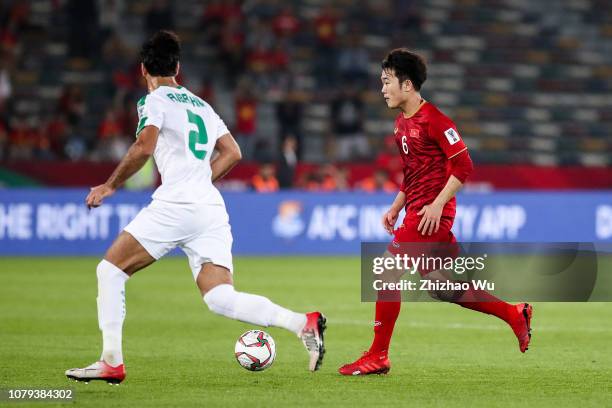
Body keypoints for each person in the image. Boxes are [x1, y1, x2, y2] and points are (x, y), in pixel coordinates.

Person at [65, 31, 326, 384]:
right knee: (220, 296)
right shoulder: (201, 105)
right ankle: (301, 322)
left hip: (176, 202)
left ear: (144, 69)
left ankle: (111, 361)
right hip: (209, 207)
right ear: (178, 67)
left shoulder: (153, 100)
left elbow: (144, 146)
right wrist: (202, 178)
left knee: (110, 271)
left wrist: (110, 184)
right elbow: (233, 151)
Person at [338, 48, 532, 376]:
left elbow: (464, 164)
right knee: (440, 287)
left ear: (408, 85)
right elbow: (412, 172)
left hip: (431, 217)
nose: (382, 89)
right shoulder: (402, 124)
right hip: (416, 211)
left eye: (387, 82)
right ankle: (514, 313)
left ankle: (378, 355)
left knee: (386, 272)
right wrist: (397, 206)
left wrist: (438, 203)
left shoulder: (436, 121)